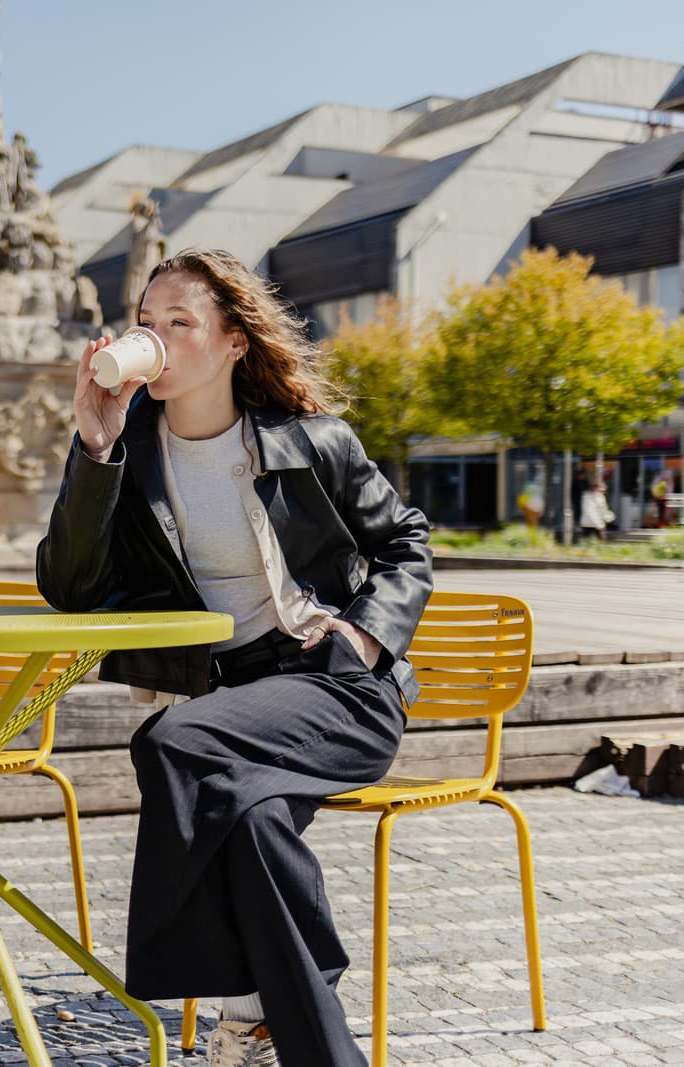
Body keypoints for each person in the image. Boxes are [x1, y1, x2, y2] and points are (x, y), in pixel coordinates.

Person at [37, 248, 431, 1067]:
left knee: (170, 742)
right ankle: (265, 1023)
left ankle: (218, 990)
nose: (160, 339)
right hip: (233, 703)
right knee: (247, 819)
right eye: (149, 323)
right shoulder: (133, 451)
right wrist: (95, 447)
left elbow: (405, 543)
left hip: (336, 690)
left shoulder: (311, 442)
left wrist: (363, 632)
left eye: (182, 323)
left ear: (232, 344)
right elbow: (71, 588)